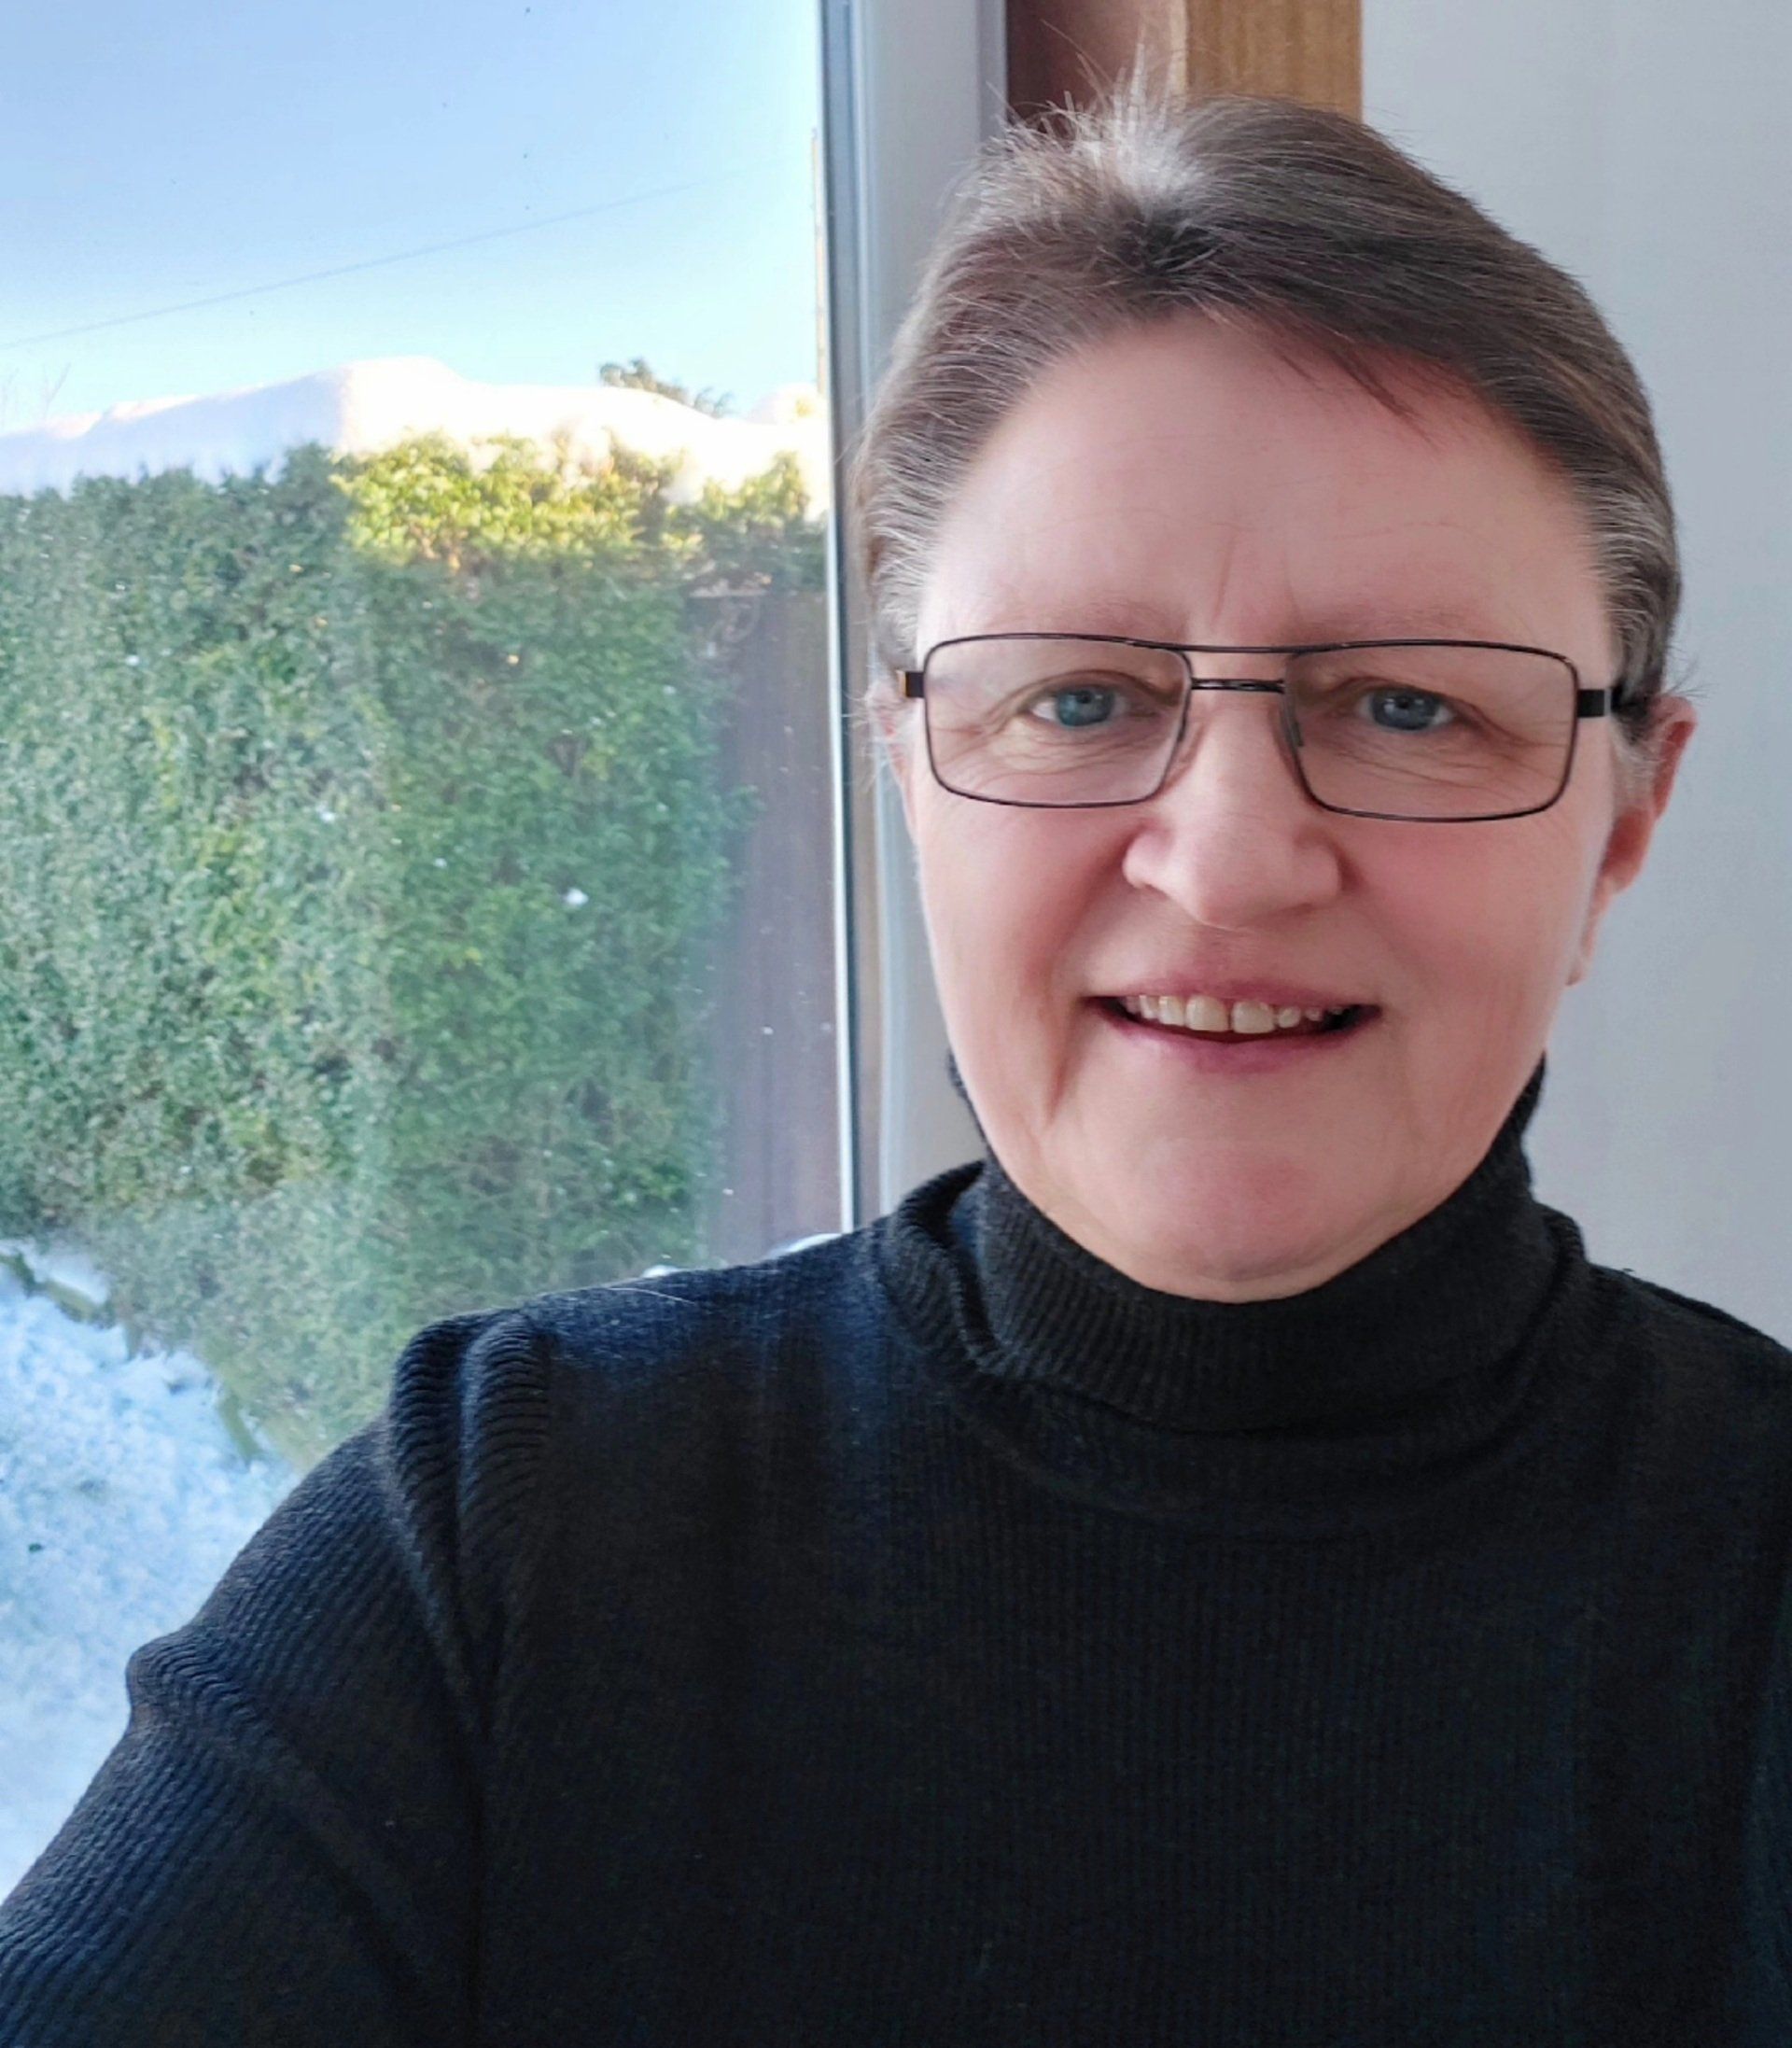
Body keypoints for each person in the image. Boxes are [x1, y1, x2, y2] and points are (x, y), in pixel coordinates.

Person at [2, 83, 1786, 2047]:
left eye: (1412, 705)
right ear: (906, 770)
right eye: (1079, 696)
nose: (1227, 862)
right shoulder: (503, 1541)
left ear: (1626, 817)